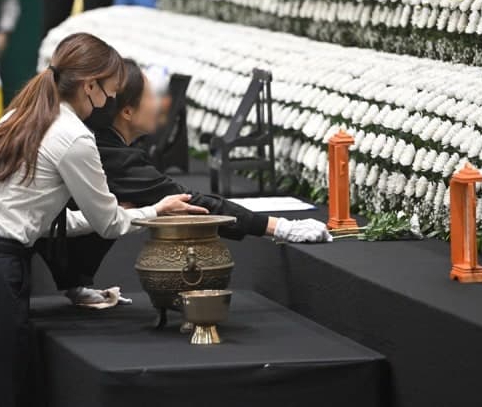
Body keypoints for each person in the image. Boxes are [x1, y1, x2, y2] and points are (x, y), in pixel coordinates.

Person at [0, 32, 206, 407]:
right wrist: (156, 210)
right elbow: (110, 224)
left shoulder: (15, 116)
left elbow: (38, 217)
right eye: (109, 92)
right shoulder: (74, 137)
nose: (108, 102)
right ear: (89, 86)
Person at [39, 59, 332, 303]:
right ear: (126, 111)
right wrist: (279, 227)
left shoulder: (109, 145)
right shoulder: (111, 154)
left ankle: (75, 283)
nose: (162, 104)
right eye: (152, 96)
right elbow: (191, 202)